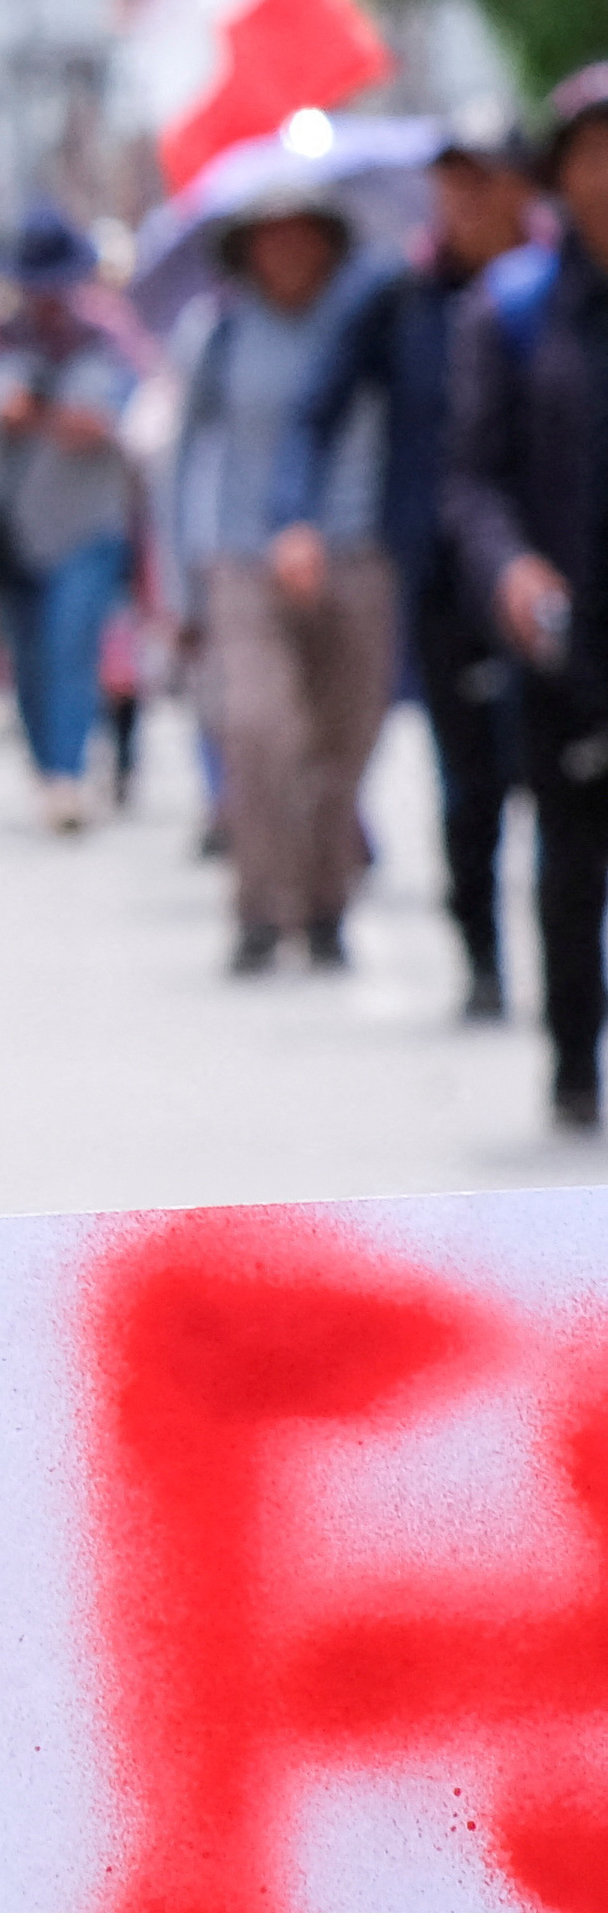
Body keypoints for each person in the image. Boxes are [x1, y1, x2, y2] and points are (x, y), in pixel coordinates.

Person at [294, 127, 544, 1018]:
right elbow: (318, 408)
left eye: (482, 188)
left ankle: (571, 973)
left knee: (557, 770)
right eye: (451, 191)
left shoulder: (558, 291)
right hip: (443, 569)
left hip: (553, 568)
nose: (464, 209)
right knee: (469, 774)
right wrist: (301, 519)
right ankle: (481, 951)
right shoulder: (402, 298)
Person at [176, 164, 404, 973]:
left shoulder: (372, 316)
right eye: (272, 240)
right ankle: (261, 903)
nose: (288, 254)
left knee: (343, 740)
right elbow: (190, 456)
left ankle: (326, 897)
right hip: (244, 558)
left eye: (303, 237)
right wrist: (184, 577)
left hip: (355, 550)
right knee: (258, 730)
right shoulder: (222, 333)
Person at [445, 61, 608, 1130]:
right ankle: (572, 1060)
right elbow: (471, 478)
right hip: (566, 630)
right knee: (571, 853)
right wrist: (509, 567)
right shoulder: (514, 312)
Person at [0, 207, 152, 836]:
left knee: (72, 645)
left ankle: (69, 776)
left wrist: (101, 425)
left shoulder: (107, 333)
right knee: (26, 657)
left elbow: (152, 412)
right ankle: (47, 764)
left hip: (87, 523)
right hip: (10, 529)